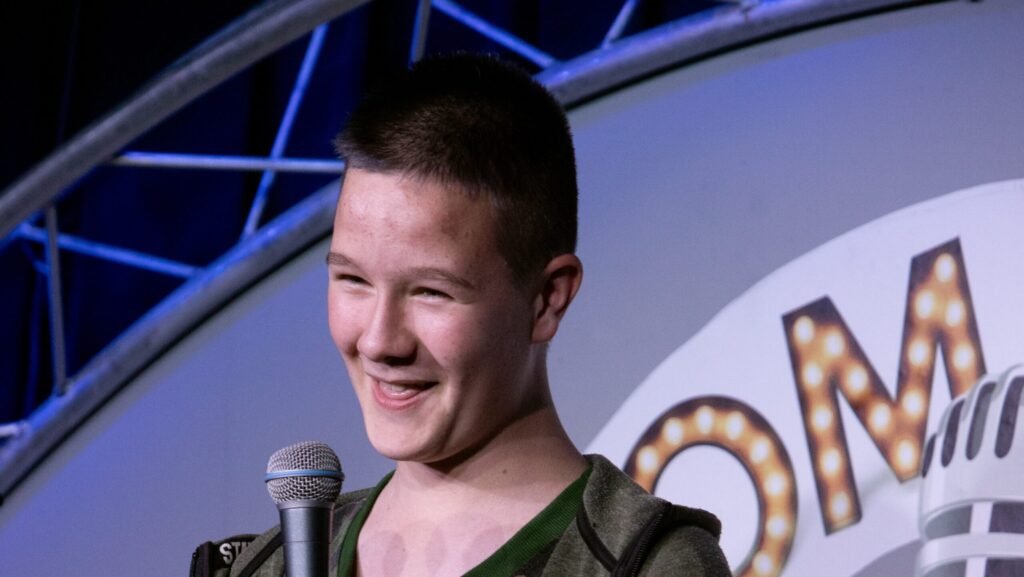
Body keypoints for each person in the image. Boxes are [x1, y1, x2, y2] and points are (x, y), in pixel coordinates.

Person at [192, 53, 729, 577]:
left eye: (430, 292)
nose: (380, 341)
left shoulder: (645, 564)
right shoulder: (264, 566)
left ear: (547, 300)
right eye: (353, 280)